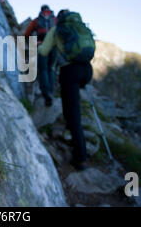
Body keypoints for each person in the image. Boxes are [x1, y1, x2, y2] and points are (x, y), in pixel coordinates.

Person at [38, 10, 95, 170]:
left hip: (70, 72)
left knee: (73, 113)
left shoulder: (57, 30)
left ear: (59, 19)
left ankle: (80, 158)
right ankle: (70, 133)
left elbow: (44, 51)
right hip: (87, 69)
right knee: (70, 105)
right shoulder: (79, 27)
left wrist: (39, 46)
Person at [24, 5, 58, 106]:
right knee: (51, 69)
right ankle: (51, 92)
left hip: (42, 46)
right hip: (54, 47)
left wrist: (34, 42)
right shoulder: (55, 20)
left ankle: (46, 93)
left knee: (43, 70)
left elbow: (27, 34)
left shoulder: (37, 20)